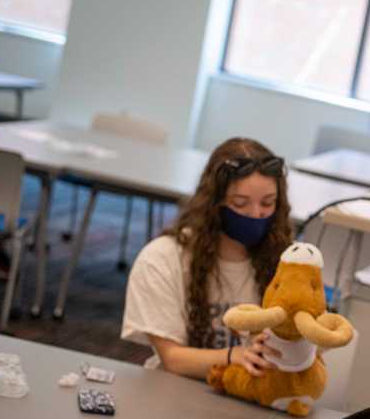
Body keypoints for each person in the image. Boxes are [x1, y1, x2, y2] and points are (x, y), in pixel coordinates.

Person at [121, 137, 294, 379]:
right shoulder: (162, 258)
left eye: (268, 203)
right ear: (213, 202)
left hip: (252, 393)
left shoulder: (287, 262)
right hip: (176, 390)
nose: (256, 214)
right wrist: (235, 356)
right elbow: (172, 359)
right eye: (240, 203)